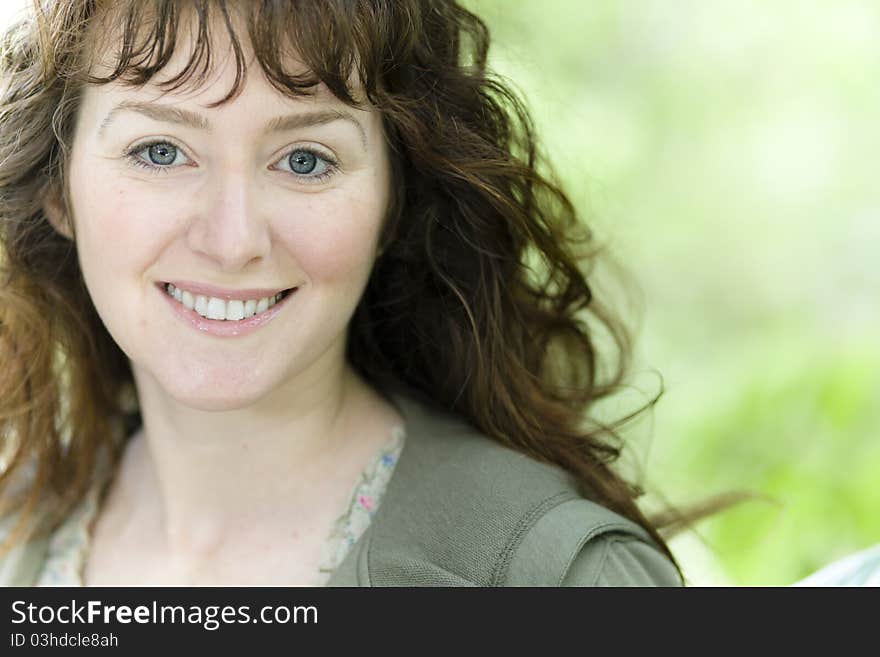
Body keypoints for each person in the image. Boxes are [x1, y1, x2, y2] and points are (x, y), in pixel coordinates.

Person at [0, 0, 683, 586]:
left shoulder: (555, 580)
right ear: (59, 187)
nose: (234, 240)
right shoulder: (17, 530)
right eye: (160, 151)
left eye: (305, 160)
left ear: (393, 203)